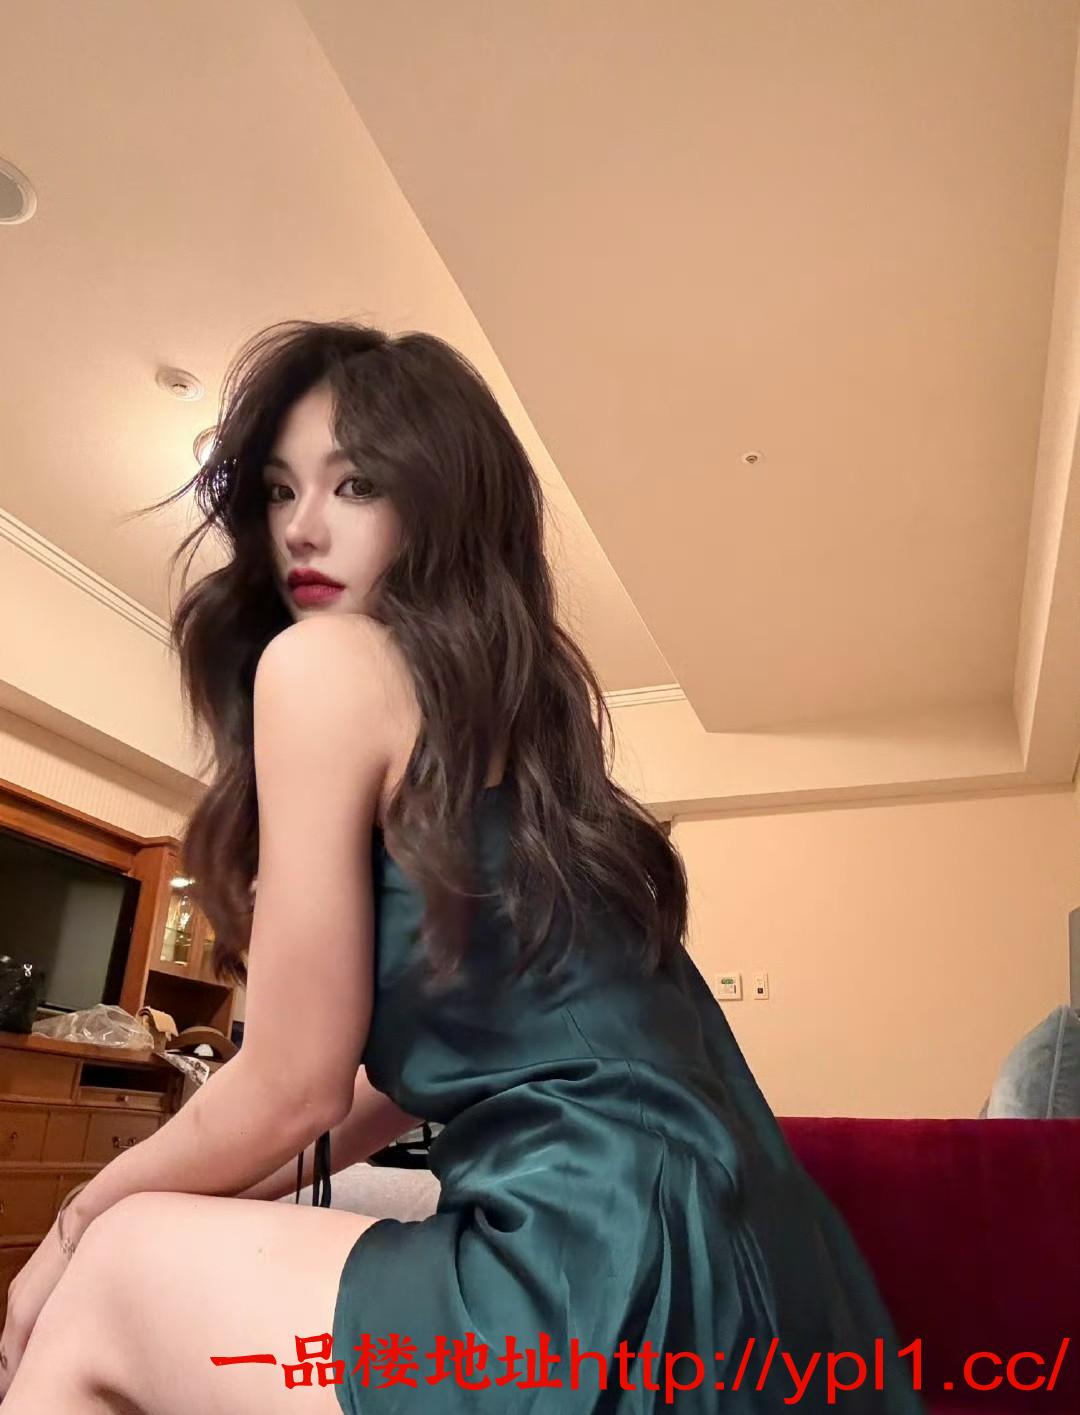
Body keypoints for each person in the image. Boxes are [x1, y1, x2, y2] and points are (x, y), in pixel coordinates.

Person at [0, 322, 923, 1413]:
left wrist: (75, 1223)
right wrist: (195, 1188)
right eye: (282, 489)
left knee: (114, 1271)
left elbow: (291, 1082)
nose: (302, 526)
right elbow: (368, 1095)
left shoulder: (325, 663)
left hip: (599, 1265)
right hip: (763, 1280)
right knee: (178, 1245)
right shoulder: (532, 756)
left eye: (356, 484)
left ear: (441, 503)